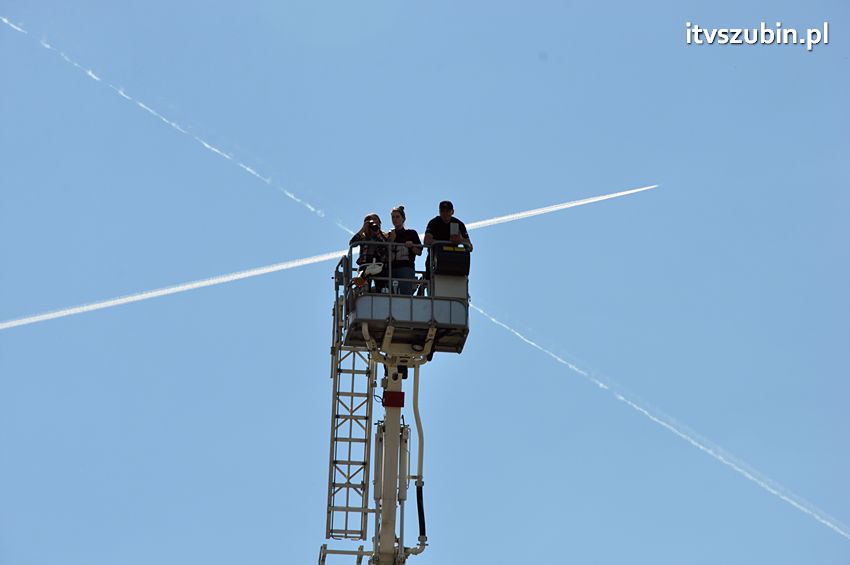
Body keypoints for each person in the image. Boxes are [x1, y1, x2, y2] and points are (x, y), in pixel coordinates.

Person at [386, 205, 422, 295]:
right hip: (391, 268)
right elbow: (384, 252)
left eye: (397, 217)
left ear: (403, 219)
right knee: (389, 294)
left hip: (406, 268)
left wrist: (411, 246)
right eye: (393, 217)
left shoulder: (411, 233)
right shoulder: (388, 235)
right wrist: (391, 240)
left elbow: (419, 252)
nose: (395, 219)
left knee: (405, 295)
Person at [349, 213, 389, 292]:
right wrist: (363, 229)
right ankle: (362, 289)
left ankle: (381, 294)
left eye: (375, 219)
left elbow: (385, 246)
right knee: (364, 285)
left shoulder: (384, 235)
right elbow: (352, 243)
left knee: (381, 287)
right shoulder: (363, 237)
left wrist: (377, 233)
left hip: (379, 265)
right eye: (369, 220)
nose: (372, 222)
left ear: (379, 223)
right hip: (364, 264)